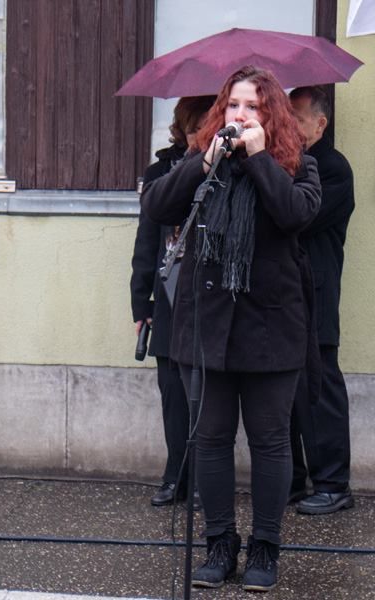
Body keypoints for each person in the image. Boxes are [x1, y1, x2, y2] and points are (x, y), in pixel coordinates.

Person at [141, 66, 321, 593]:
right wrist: (203, 162)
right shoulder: (203, 161)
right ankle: (219, 543)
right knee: (211, 438)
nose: (241, 115)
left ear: (271, 115)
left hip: (271, 326)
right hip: (208, 324)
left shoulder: (298, 165)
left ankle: (265, 546)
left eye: (253, 106)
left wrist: (260, 158)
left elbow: (295, 215)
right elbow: (156, 206)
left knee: (270, 440)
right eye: (234, 105)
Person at [130, 95, 215, 509]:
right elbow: (146, 242)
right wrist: (140, 304)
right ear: (182, 129)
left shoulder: (225, 169)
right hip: (167, 294)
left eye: (207, 127)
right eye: (195, 127)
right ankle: (174, 476)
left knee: (205, 396)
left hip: (208, 298)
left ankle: (202, 480)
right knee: (172, 393)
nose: (201, 136)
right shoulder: (160, 172)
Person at [288, 86, 356, 515]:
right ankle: (294, 478)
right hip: (285, 293)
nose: (291, 126)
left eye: (297, 118)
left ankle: (333, 483)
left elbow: (299, 218)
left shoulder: (333, 169)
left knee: (321, 387)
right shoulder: (289, 164)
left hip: (316, 291)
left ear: (320, 123)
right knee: (286, 389)